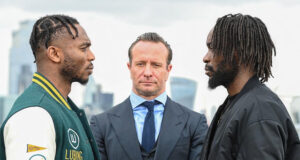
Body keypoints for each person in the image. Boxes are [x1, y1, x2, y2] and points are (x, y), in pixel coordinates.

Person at [90, 32, 208, 160]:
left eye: (156, 65)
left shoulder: (194, 123)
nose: (147, 73)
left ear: (168, 70)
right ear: (130, 68)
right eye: (140, 64)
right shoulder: (101, 124)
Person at [200, 13, 300, 160]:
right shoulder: (235, 105)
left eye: (212, 47)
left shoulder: (260, 110)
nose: (206, 58)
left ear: (237, 52)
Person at [0, 14, 101, 160]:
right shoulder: (34, 116)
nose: (92, 56)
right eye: (83, 48)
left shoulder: (64, 108)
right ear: (54, 54)